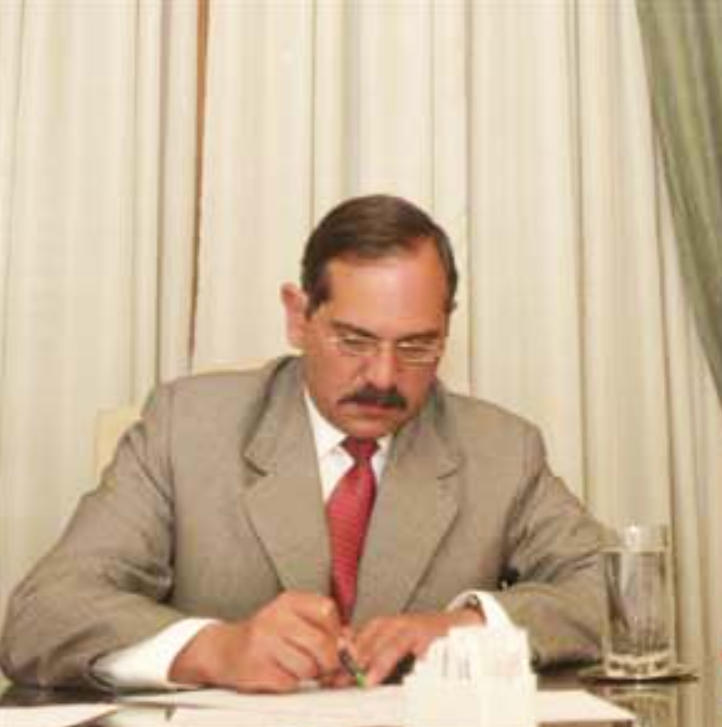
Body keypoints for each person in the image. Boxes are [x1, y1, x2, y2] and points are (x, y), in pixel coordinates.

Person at [0, 195, 610, 692]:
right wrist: (216, 649)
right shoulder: (186, 428)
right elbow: (43, 614)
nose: (383, 377)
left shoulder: (501, 450)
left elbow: (614, 592)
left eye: (417, 346)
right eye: (354, 341)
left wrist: (470, 628)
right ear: (299, 316)